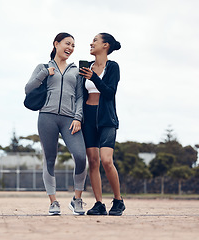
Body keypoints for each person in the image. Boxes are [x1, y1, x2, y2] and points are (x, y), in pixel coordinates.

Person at [25, 32, 87, 215]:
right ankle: (53, 202)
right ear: (56, 44)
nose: (70, 48)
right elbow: (28, 88)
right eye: (67, 43)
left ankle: (77, 200)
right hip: (47, 117)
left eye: (73, 46)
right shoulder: (42, 67)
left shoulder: (76, 71)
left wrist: (78, 117)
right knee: (50, 159)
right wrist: (45, 74)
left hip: (70, 119)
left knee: (80, 156)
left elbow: (80, 97)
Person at [79, 33, 125, 216]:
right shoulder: (87, 67)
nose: (91, 43)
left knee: (106, 160)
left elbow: (109, 92)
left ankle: (118, 200)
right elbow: (81, 94)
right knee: (93, 161)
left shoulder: (113, 67)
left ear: (105, 45)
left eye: (95, 41)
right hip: (88, 119)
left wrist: (94, 78)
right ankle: (99, 203)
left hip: (107, 119)